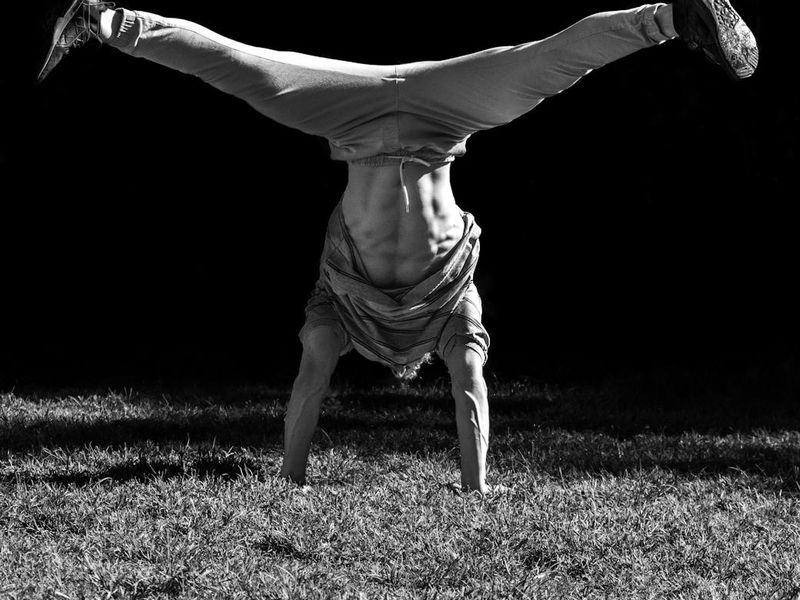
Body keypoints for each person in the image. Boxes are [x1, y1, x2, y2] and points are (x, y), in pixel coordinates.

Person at [35, 0, 758, 493]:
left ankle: (104, 19)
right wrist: (476, 490)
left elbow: (311, 381)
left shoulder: (340, 314)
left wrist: (293, 482)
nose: (411, 366)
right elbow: (469, 389)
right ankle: (672, 16)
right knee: (548, 64)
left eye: (407, 365)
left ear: (393, 359)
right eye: (417, 366)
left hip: (349, 120)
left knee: (241, 68)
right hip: (444, 118)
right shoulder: (453, 313)